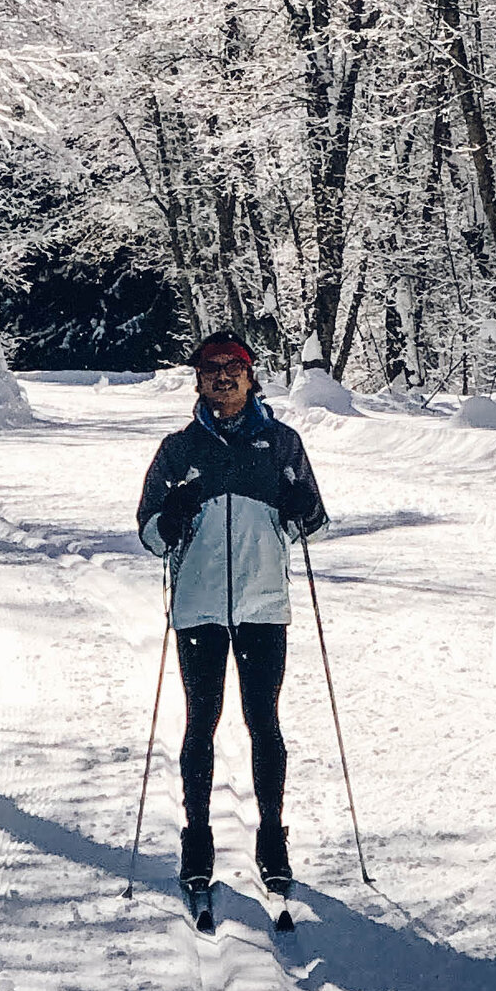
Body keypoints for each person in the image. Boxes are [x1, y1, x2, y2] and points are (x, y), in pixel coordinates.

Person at [136, 333, 328, 916]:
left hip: (264, 605)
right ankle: (198, 840)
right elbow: (147, 533)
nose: (222, 377)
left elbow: (315, 522)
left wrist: (300, 511)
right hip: (198, 608)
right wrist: (171, 515)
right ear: (197, 381)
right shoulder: (176, 450)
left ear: (251, 378)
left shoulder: (281, 444)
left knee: (263, 722)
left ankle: (272, 836)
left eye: (233, 369)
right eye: (211, 369)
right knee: (201, 723)